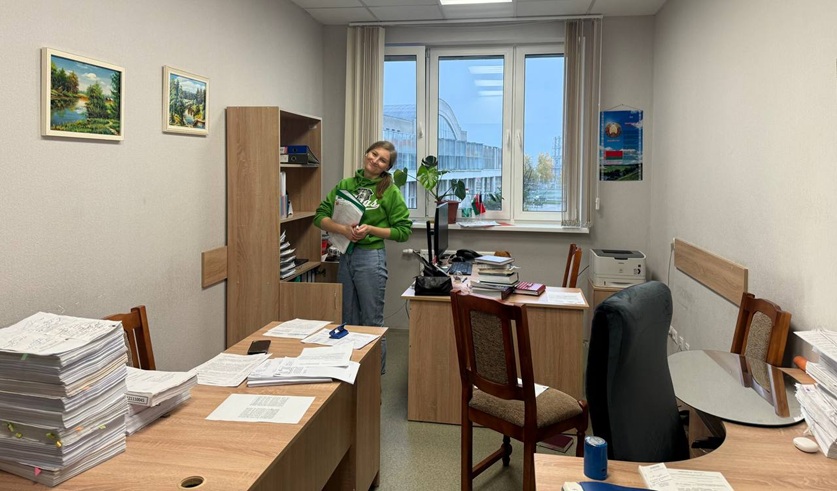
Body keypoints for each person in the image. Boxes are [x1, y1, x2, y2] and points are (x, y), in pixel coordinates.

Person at [314, 141, 412, 374]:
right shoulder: (345, 185)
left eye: (382, 160)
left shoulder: (390, 191)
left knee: (371, 322)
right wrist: (342, 229)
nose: (375, 161)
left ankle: (374, 379)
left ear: (387, 167)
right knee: (348, 319)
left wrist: (370, 230)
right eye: (373, 154)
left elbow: (403, 231)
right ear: (366, 153)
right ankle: (352, 375)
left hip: (371, 258)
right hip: (346, 255)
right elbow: (320, 216)